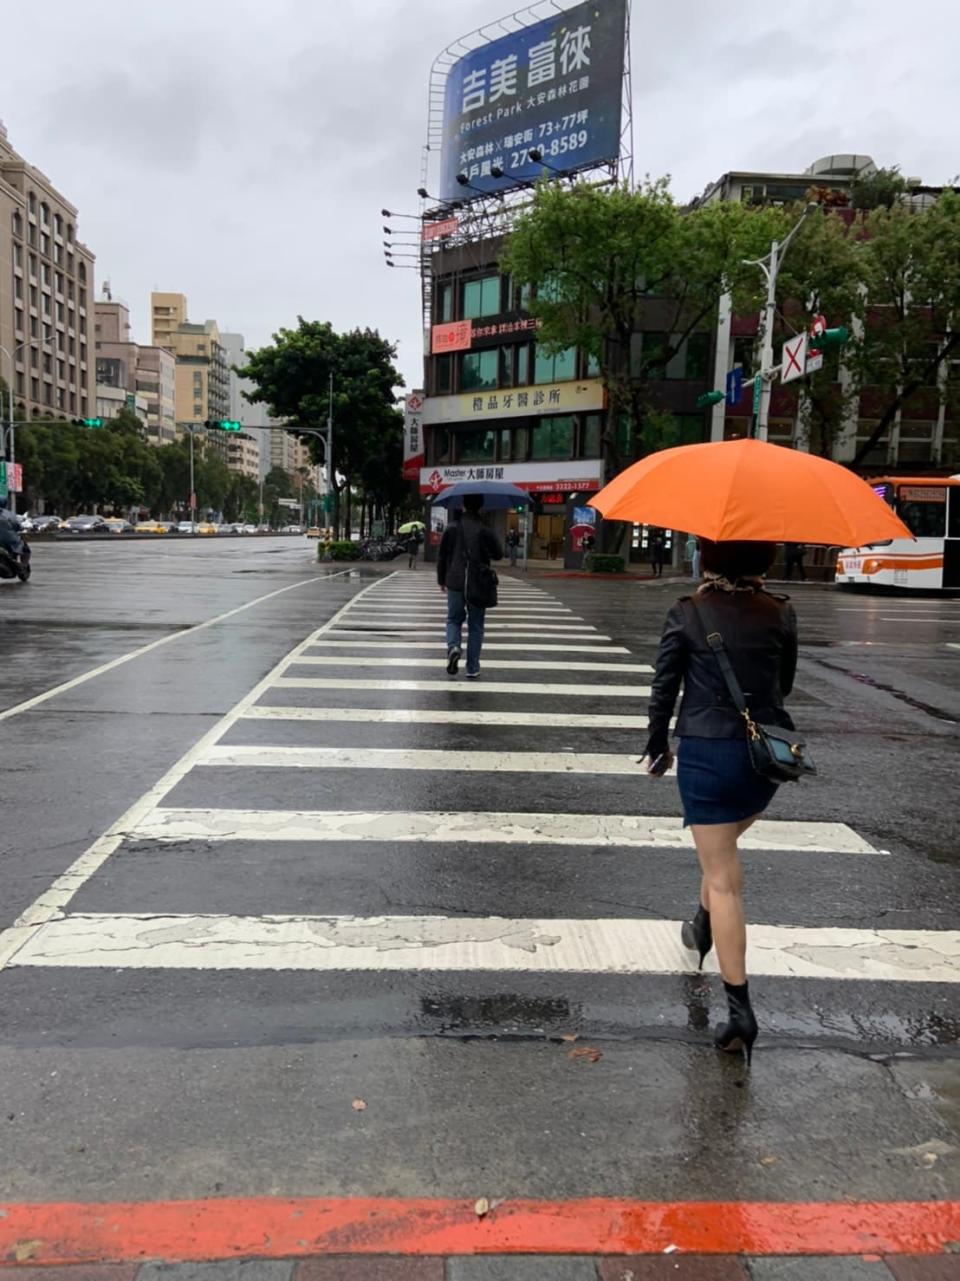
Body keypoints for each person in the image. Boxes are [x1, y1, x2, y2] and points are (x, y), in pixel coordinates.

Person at [642, 539, 798, 1066]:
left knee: (724, 878)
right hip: (765, 759)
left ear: (706, 560)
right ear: (764, 561)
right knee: (720, 856)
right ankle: (701, 925)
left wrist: (656, 742)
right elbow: (786, 686)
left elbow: (665, 685)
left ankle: (740, 1012)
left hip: (707, 753)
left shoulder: (688, 612)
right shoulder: (779, 612)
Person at [437, 495, 503, 679]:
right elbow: (499, 554)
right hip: (478, 583)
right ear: (481, 507)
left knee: (453, 619)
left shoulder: (451, 528)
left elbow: (442, 557)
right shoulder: (485, 530)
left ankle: (454, 647)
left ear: (463, 505)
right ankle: (472, 667)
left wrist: (442, 580)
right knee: (475, 626)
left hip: (455, 581)